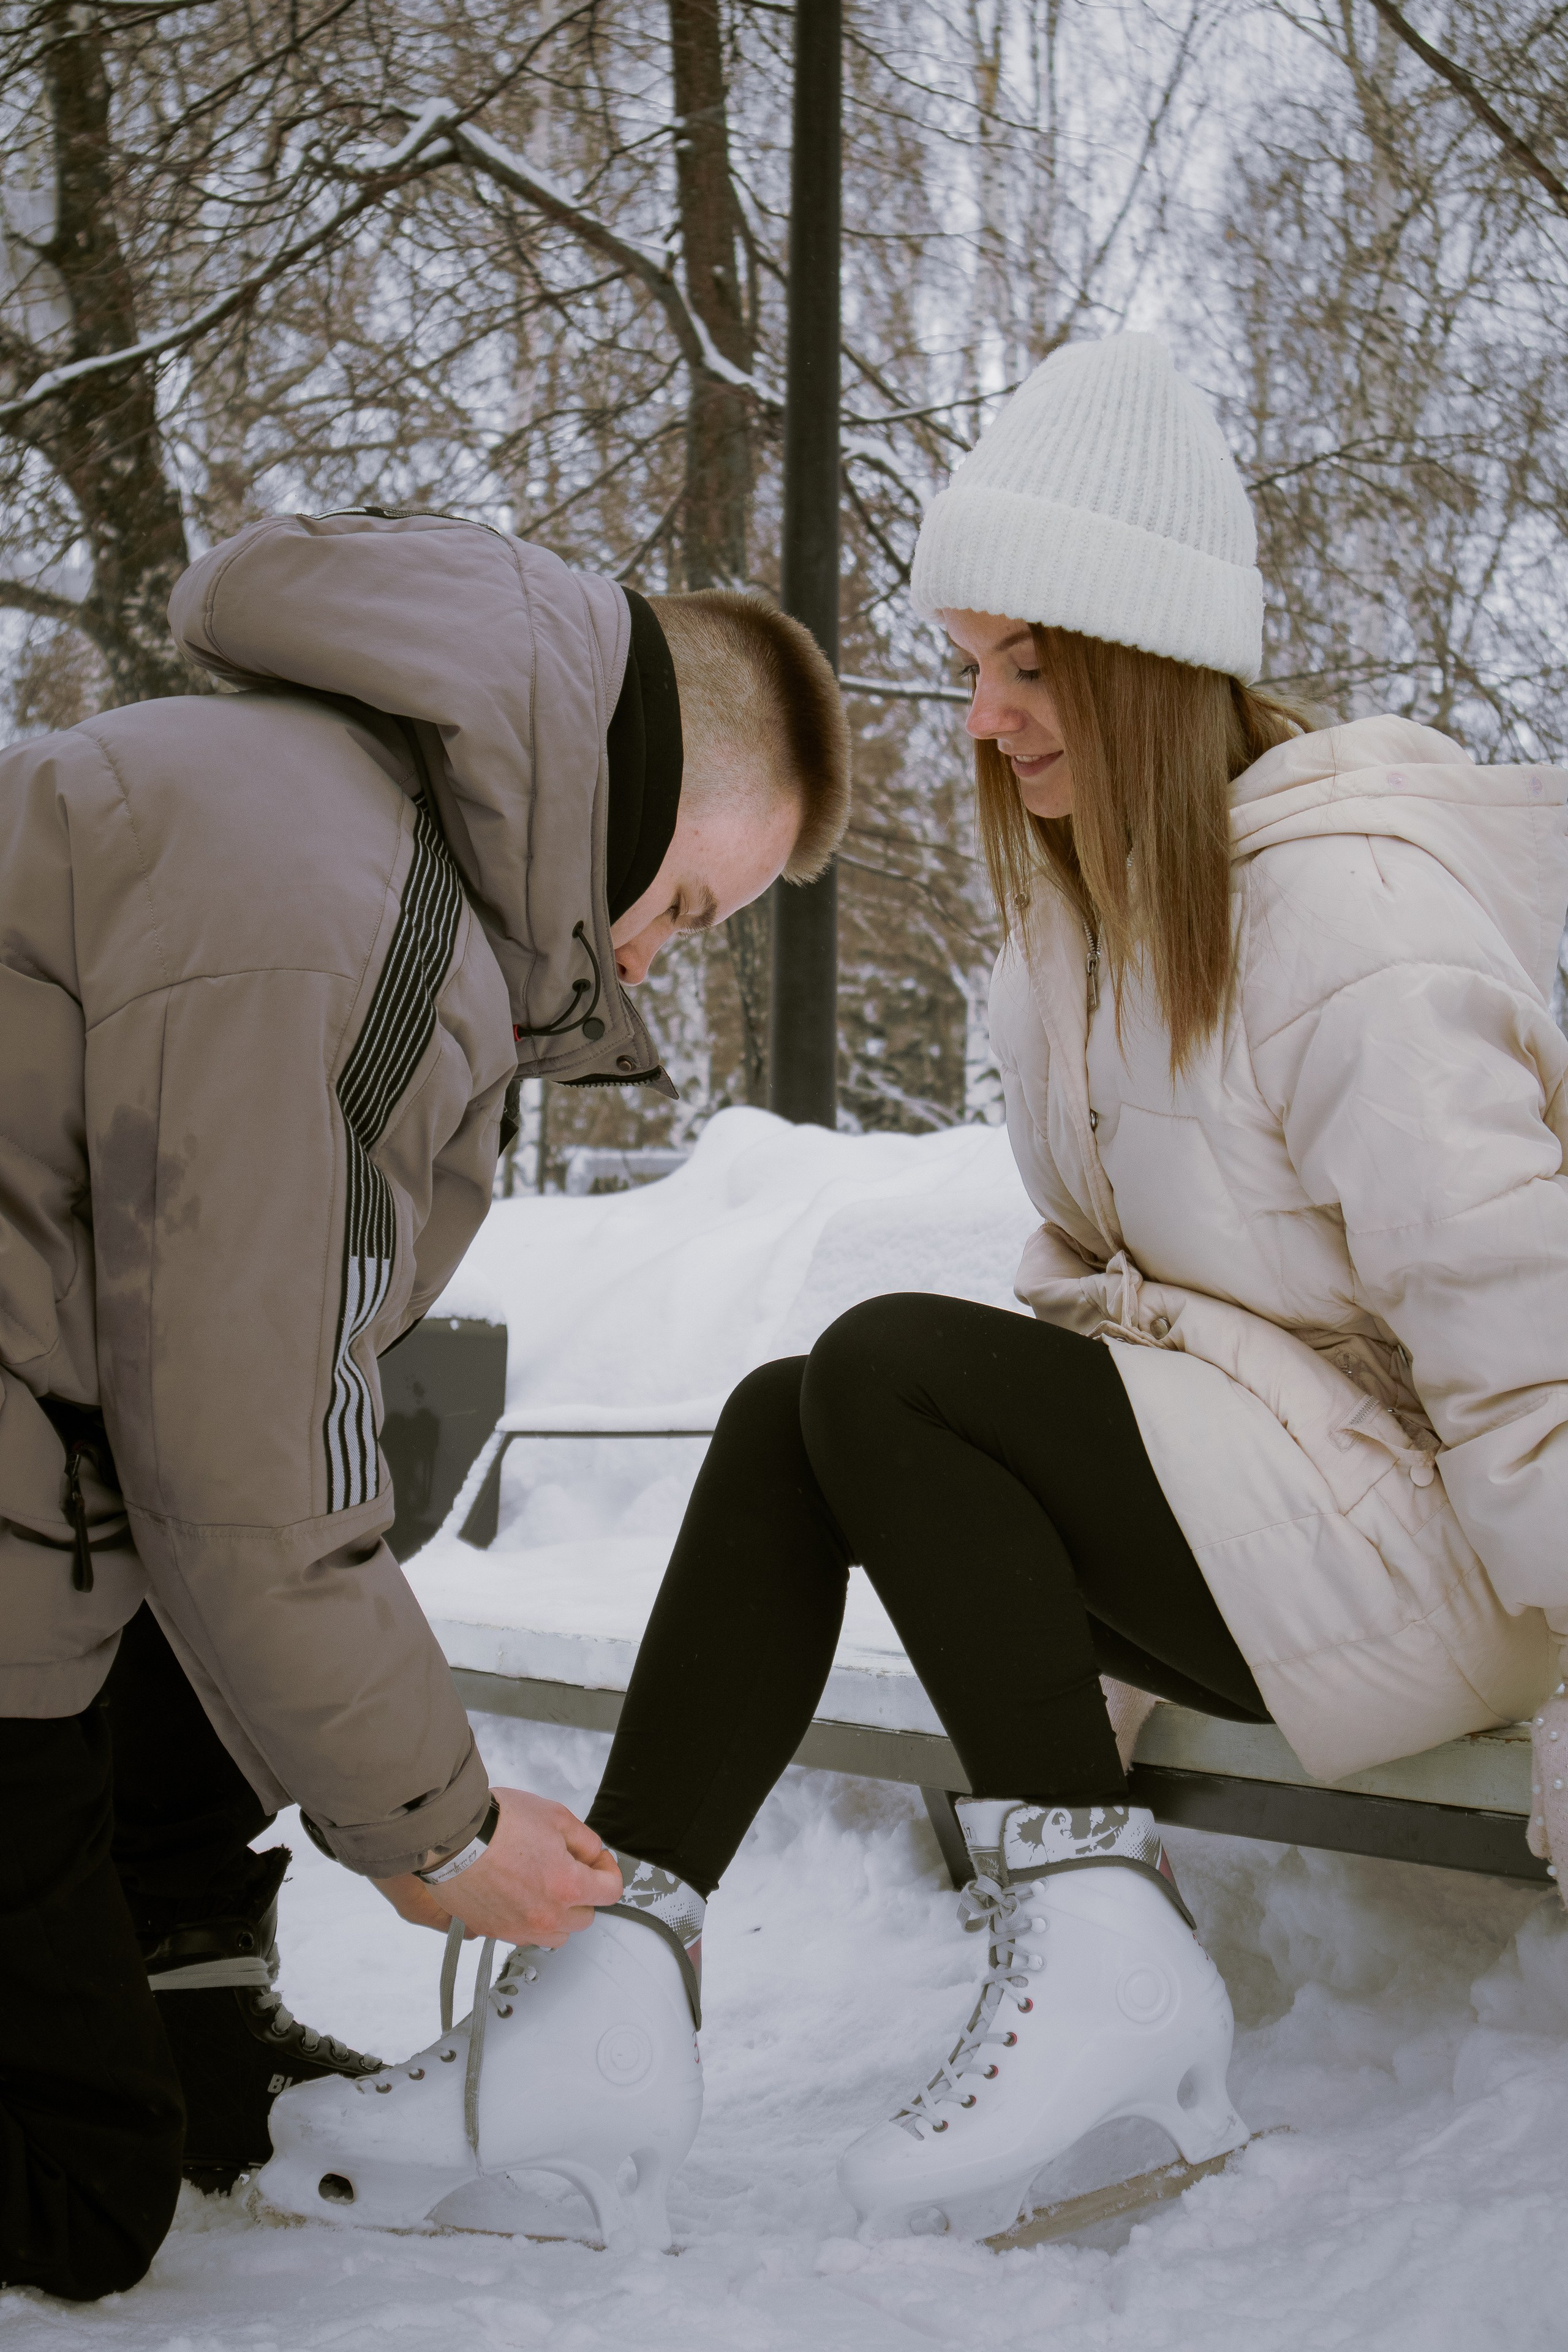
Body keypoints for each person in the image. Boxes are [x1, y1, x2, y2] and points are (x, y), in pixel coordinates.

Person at [268, 337, 1568, 2249]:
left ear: (1148, 655)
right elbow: (1112, 1319)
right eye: (972, 665)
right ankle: (617, 1992)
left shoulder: (1347, 915)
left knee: (880, 1370)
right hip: (1290, 1537)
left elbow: (1521, 1325)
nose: (985, 718)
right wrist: (1042, 1610)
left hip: (1456, 1564)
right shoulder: (1087, 931)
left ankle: (1096, 1942)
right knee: (800, 1414)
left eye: (1030, 666)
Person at [0, 507, 850, 2301]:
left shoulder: (338, 822)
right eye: (689, 906)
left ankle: (177, 1988)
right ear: (636, 788)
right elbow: (245, 1449)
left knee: (300, 1509)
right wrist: (440, 1831)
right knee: (80, 2188)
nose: (649, 962)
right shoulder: (350, 917)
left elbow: (226, 1401)